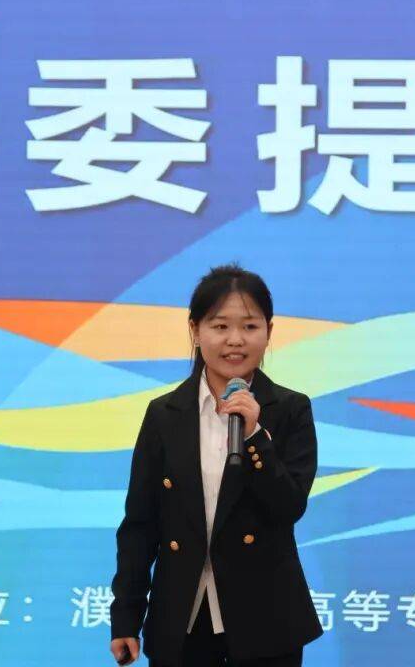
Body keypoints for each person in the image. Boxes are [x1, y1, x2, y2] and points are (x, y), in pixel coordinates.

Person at [108, 263, 324, 666]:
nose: (235, 340)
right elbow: (140, 523)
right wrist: (126, 616)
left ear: (269, 332)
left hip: (265, 616)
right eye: (220, 326)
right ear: (195, 330)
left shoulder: (290, 410)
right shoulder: (165, 415)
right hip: (181, 615)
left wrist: (255, 437)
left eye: (250, 326)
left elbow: (289, 506)